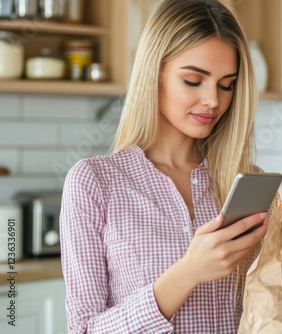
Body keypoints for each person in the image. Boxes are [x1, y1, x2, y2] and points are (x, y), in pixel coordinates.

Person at [59, 1, 270, 332]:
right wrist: (188, 272)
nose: (213, 100)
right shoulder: (94, 182)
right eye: (192, 80)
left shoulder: (247, 185)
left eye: (226, 84)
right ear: (153, 74)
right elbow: (84, 329)